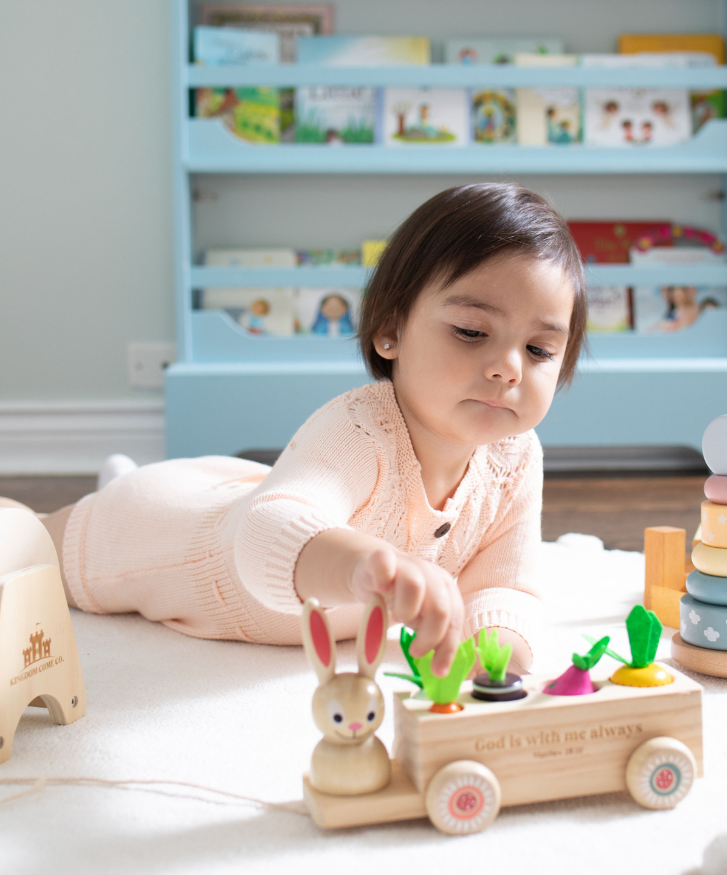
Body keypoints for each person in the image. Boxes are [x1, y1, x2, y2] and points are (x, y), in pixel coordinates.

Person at [16, 183, 587, 677]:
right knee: (33, 552)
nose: (508, 366)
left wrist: (497, 648)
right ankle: (109, 493)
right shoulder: (362, 430)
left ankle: (120, 475)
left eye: (539, 349)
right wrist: (364, 568)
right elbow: (268, 533)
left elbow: (505, 581)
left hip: (250, 491)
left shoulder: (514, 458)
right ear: (390, 330)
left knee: (251, 489)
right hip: (166, 538)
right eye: (470, 331)